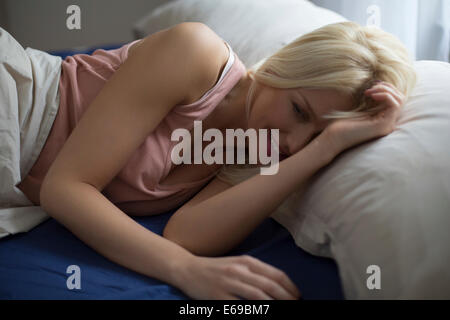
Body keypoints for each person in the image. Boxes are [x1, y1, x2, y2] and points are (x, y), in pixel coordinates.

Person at [11, 20, 415, 300]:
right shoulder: (196, 52)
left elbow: (187, 235)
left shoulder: (255, 150)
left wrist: (323, 151)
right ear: (286, 67)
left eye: (315, 136)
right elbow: (65, 190)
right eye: (299, 110)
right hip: (16, 107)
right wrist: (184, 270)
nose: (293, 143)